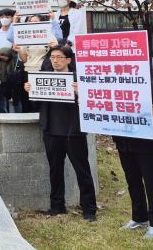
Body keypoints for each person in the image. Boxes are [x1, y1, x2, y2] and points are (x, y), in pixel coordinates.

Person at [24, 45, 97, 222]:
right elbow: (36, 105)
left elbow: (93, 103)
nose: (55, 60)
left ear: (69, 60)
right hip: (52, 130)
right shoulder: (43, 77)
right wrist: (30, 91)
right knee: (55, 169)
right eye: (52, 57)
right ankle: (57, 205)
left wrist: (81, 92)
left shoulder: (79, 79)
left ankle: (89, 209)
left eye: (59, 57)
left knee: (82, 170)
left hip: (74, 132)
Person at [113, 92, 153, 238]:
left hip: (147, 139)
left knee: (151, 181)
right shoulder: (113, 74)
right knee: (132, 180)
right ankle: (139, 217)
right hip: (123, 138)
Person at [14, 14, 59, 113]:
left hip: (44, 71)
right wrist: (19, 50)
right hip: (28, 71)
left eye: (35, 22)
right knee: (28, 100)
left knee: (42, 101)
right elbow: (24, 59)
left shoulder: (49, 36)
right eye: (30, 22)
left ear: (42, 23)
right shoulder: (25, 37)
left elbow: (56, 55)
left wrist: (54, 47)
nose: (32, 24)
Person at [0, 47, 16, 113]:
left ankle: (3, 114)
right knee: (2, 100)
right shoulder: (0, 61)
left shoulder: (10, 60)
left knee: (1, 100)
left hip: (4, 81)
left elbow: (7, 58)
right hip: (1, 81)